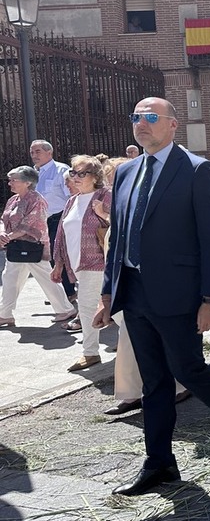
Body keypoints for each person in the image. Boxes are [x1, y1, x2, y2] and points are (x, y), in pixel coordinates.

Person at [94, 97, 210, 496]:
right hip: (134, 293)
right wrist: (106, 292)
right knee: (154, 382)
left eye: (151, 118)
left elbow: (209, 238)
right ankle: (160, 463)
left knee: (188, 369)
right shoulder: (127, 171)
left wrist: (209, 299)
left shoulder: (196, 169)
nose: (141, 124)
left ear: (172, 125)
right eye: (136, 117)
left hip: (179, 294)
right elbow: (119, 239)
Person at [98, 157, 189, 416]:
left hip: (152, 286)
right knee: (127, 341)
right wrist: (104, 297)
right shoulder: (118, 207)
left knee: (162, 343)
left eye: (117, 177)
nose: (114, 183)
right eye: (111, 179)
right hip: (122, 285)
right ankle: (130, 393)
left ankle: (178, 387)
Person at [51, 156, 112, 371]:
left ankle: (91, 353)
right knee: (97, 308)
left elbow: (123, 224)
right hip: (78, 263)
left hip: (100, 262)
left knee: (89, 307)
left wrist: (103, 213)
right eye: (73, 173)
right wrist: (58, 263)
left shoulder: (105, 196)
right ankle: (98, 351)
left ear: (95, 177)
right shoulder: (72, 200)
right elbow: (61, 233)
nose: (75, 177)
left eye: (81, 173)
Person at [0, 166, 78, 328]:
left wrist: (9, 236)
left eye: (14, 180)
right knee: (10, 279)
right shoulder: (12, 200)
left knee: (46, 279)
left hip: (34, 247)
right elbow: (3, 219)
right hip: (15, 247)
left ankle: (65, 309)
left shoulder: (36, 199)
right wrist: (2, 232)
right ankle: (5, 314)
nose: (10, 183)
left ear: (28, 182)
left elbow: (32, 224)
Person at [30, 139, 76, 302]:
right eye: (32, 152)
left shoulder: (60, 170)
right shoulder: (32, 173)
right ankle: (59, 293)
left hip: (58, 219)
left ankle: (69, 293)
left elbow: (72, 196)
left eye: (38, 152)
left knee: (60, 256)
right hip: (40, 222)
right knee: (48, 257)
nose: (34, 155)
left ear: (49, 153)